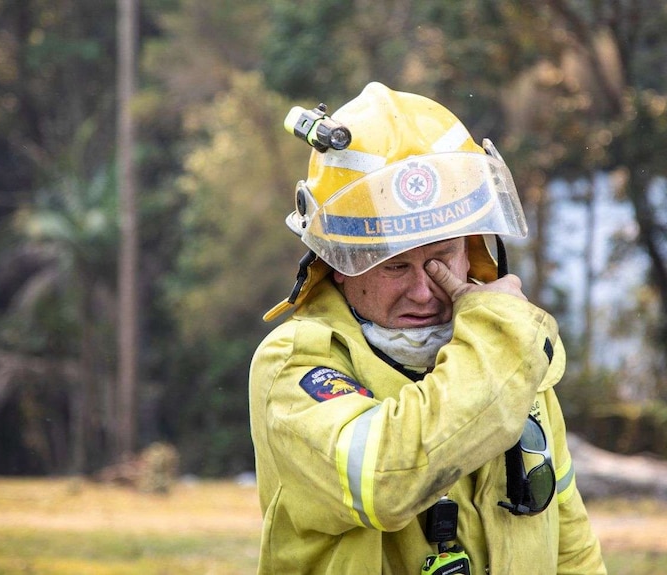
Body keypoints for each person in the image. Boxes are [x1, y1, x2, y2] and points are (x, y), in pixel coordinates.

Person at [249, 82, 606, 574]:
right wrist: (500, 341)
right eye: (395, 267)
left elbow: (571, 545)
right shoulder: (296, 365)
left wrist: (502, 340)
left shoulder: (514, 355)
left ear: (472, 248)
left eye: (441, 258)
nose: (423, 291)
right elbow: (387, 479)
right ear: (339, 263)